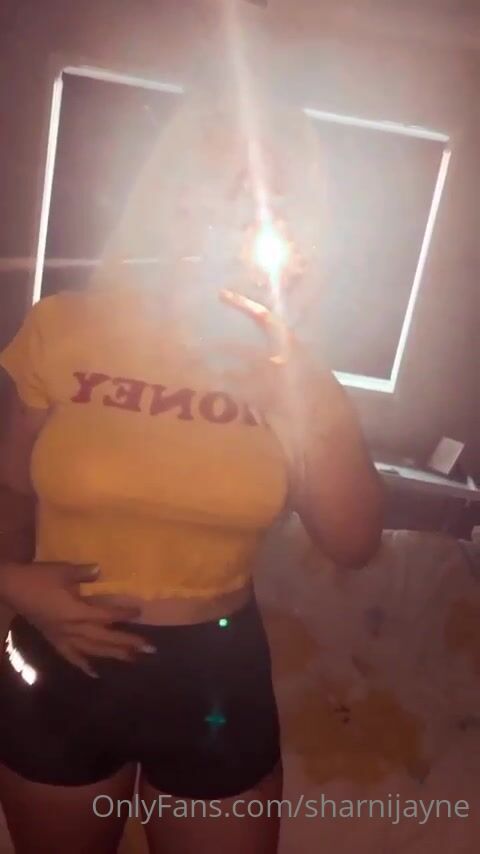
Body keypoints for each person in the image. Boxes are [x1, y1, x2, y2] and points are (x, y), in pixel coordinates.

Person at [0, 93, 384, 854]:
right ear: (165, 193)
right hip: (56, 657)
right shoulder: (63, 325)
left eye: (263, 194)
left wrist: (301, 390)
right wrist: (12, 585)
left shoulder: (294, 365)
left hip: (217, 670)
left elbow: (354, 541)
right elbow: (9, 491)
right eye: (212, 180)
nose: (229, 208)